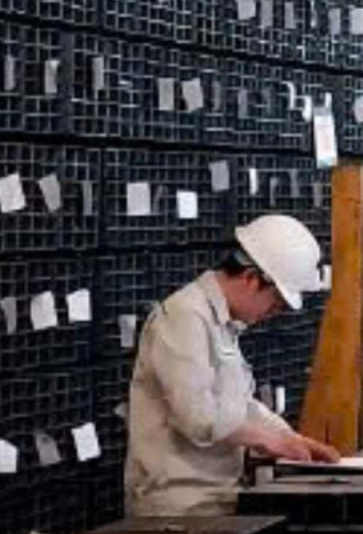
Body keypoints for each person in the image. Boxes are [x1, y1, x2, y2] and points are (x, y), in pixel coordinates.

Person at [125, 214, 340, 517]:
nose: (274, 312)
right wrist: (270, 441)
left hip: (216, 500)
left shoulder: (222, 325)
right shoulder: (185, 317)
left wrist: (290, 438)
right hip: (177, 510)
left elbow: (239, 405)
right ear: (252, 278)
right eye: (276, 302)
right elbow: (198, 416)